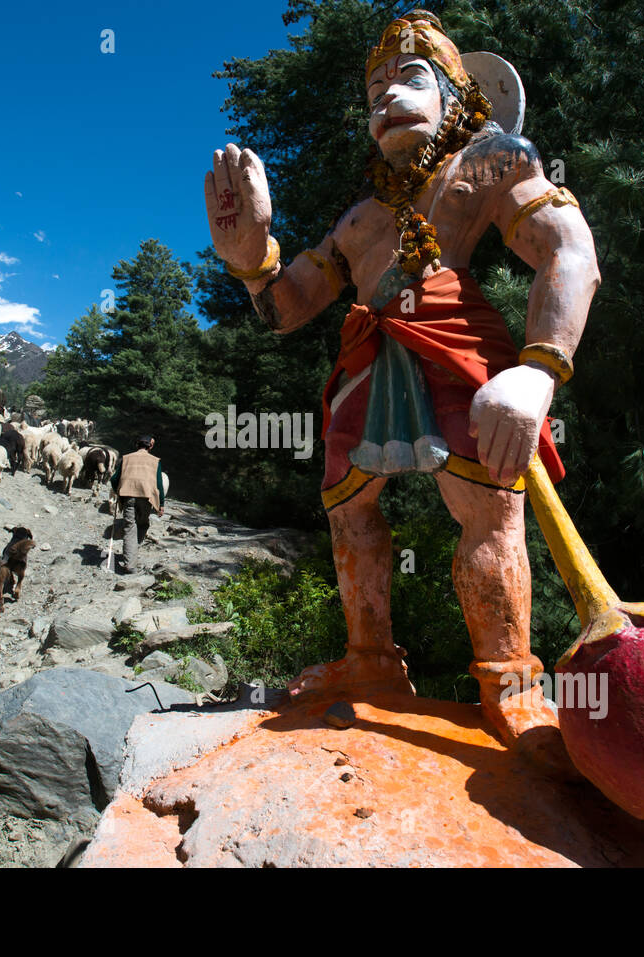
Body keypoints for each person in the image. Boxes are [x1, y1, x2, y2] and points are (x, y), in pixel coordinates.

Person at [204, 9, 600, 767]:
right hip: (370, 349)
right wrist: (252, 259)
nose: (387, 96)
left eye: (410, 78)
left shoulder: (491, 165)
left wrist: (539, 367)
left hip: (456, 339)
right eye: (376, 86)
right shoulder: (359, 219)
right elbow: (286, 307)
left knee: (487, 506)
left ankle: (510, 681)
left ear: (458, 96)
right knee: (348, 509)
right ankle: (371, 659)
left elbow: (567, 248)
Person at [109, 435, 166, 573]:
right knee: (142, 524)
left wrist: (118, 490)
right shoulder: (155, 461)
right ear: (150, 446)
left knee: (129, 527)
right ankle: (132, 556)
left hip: (128, 496)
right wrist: (161, 504)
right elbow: (159, 484)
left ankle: (130, 561)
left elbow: (114, 478)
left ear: (137, 445)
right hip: (146, 498)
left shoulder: (126, 458)